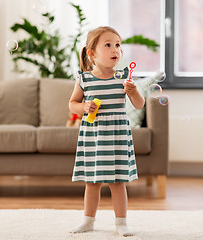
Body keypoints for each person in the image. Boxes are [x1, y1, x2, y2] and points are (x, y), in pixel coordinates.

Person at [68, 26, 145, 237]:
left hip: (117, 136)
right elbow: (72, 104)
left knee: (118, 182)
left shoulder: (124, 77)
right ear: (92, 53)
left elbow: (139, 105)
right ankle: (88, 221)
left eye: (118, 45)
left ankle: (121, 223)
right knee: (92, 182)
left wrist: (134, 91)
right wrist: (83, 108)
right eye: (108, 45)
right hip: (94, 137)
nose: (115, 50)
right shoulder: (84, 78)